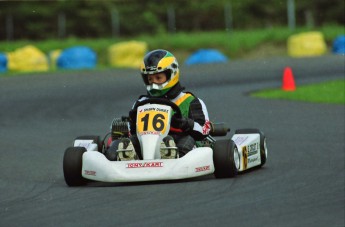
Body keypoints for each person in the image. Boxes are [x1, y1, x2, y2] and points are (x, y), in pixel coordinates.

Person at [107, 49, 211, 161]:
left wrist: (185, 123)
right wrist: (131, 123)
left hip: (178, 140)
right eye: (150, 79)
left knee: (187, 140)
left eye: (158, 78)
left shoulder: (189, 101)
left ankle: (171, 154)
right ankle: (128, 157)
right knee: (120, 145)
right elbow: (132, 131)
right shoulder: (141, 102)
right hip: (144, 143)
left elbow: (205, 129)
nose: (153, 83)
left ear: (172, 74)